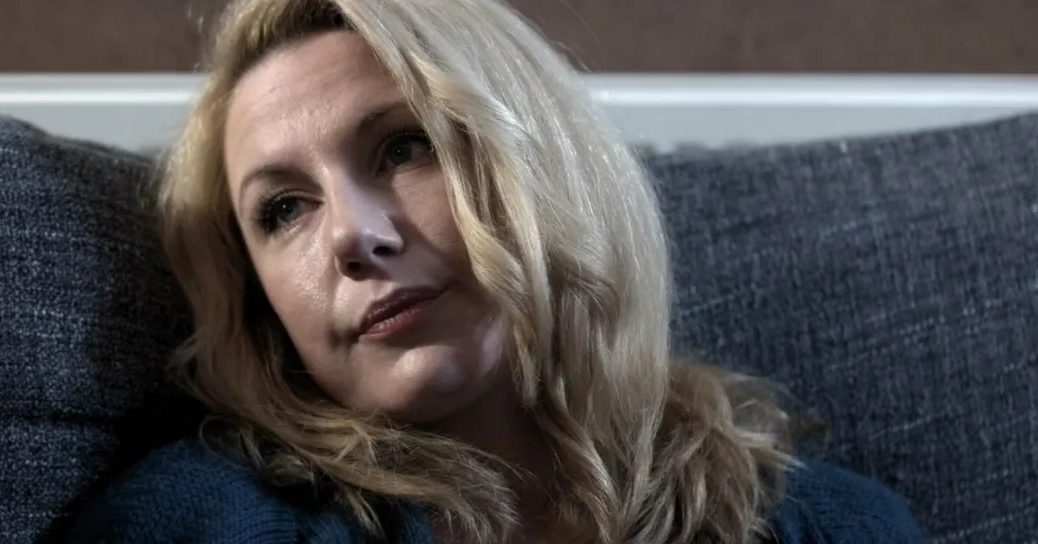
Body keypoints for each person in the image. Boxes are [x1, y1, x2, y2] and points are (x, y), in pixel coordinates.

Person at [68, 0, 925, 542]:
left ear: (541, 165)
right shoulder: (196, 522)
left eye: (403, 148)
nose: (352, 238)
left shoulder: (830, 524)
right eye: (284, 209)